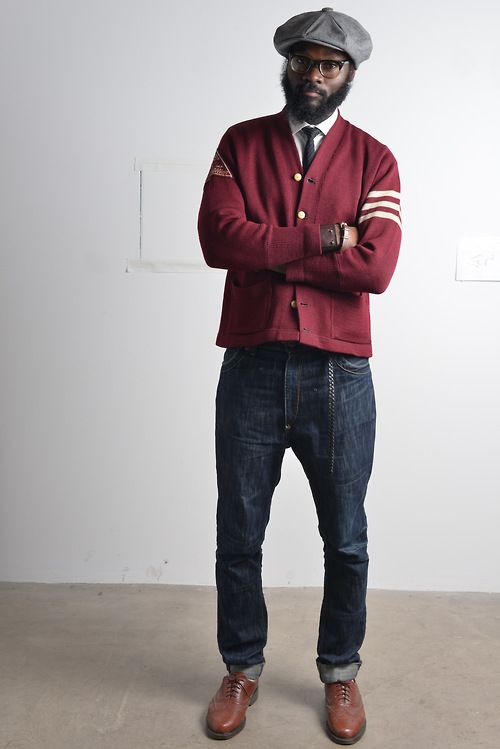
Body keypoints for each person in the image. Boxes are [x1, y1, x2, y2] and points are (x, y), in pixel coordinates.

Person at [198, 7, 401, 744]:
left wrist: (271, 251)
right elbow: (219, 240)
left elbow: (376, 266)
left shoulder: (375, 159)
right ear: (286, 64)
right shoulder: (240, 143)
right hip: (252, 365)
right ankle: (241, 667)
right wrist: (324, 238)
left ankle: (340, 670)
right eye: (303, 62)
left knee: (345, 537)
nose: (314, 76)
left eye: (329, 65)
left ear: (349, 74)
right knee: (238, 532)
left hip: (339, 374)